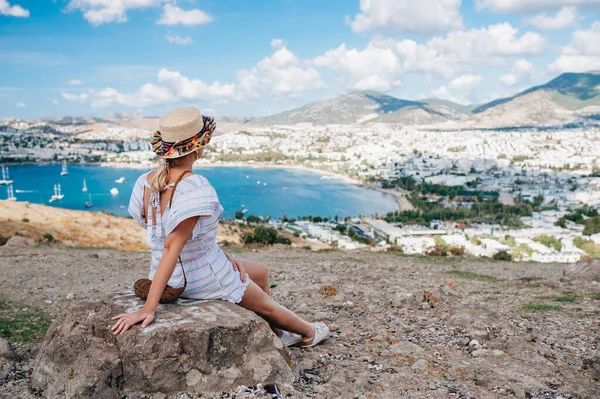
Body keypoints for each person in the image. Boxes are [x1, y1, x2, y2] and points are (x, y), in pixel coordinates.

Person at [111, 107, 328, 348]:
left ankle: (276, 335)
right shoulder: (194, 186)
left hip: (166, 272)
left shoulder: (146, 181)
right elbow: (172, 246)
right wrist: (148, 309)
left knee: (260, 271)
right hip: (200, 277)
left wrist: (222, 257)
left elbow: (161, 236)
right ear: (197, 147)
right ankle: (308, 332)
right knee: (267, 305)